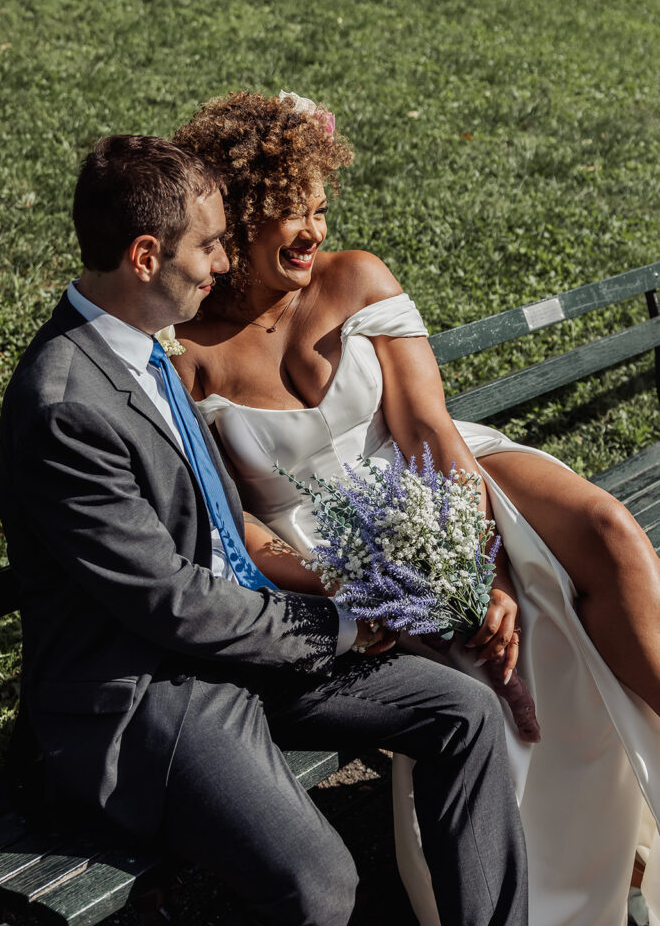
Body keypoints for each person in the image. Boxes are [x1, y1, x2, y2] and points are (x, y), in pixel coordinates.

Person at [0, 133, 529, 926]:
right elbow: (172, 606)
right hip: (153, 692)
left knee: (465, 715)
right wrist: (341, 624)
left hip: (239, 650)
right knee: (317, 882)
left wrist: (360, 590)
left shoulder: (141, 348)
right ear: (146, 255)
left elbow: (221, 524)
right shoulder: (68, 402)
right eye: (208, 246)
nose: (221, 263)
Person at [170, 91, 660, 926]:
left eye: (320, 209)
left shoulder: (356, 278)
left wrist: (480, 569)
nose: (314, 232)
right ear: (240, 219)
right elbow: (238, 527)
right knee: (522, 655)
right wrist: (376, 588)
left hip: (441, 485)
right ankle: (561, 891)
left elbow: (429, 431)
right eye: (291, 216)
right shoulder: (192, 356)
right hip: (336, 555)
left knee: (606, 537)